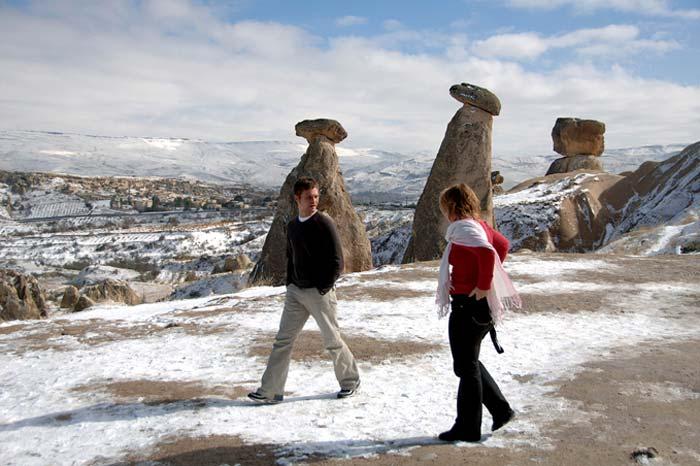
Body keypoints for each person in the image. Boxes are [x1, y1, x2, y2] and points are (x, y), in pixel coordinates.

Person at [248, 176, 361, 404]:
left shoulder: (324, 223)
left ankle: (350, 382)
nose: (314, 201)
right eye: (309, 197)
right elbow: (291, 256)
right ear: (297, 198)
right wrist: (290, 283)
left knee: (332, 340)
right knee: (282, 341)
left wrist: (323, 287)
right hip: (295, 293)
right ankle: (270, 391)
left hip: (319, 293)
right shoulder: (292, 226)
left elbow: (337, 261)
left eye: (316, 196)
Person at [435, 183, 521, 442]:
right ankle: (501, 410)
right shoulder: (479, 226)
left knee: (465, 367)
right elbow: (502, 245)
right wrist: (487, 278)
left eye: (445, 208)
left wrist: (484, 284)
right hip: (477, 307)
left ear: (452, 207)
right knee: (469, 363)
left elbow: (487, 253)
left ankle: (468, 427)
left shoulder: (465, 228)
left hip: (468, 306)